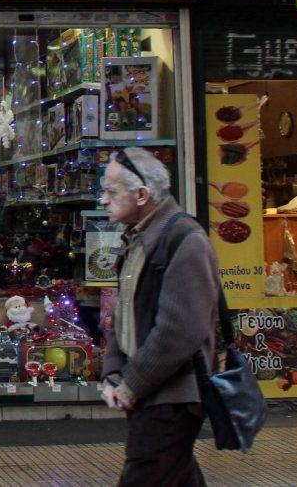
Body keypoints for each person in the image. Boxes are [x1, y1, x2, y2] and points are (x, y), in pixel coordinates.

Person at [98, 148, 220, 487]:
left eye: (111, 191)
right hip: (154, 394)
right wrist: (112, 373)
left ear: (141, 195)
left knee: (148, 473)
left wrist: (132, 384)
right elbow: (123, 316)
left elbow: (180, 331)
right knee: (175, 475)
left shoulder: (184, 239)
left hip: (173, 397)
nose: (103, 199)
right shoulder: (140, 237)